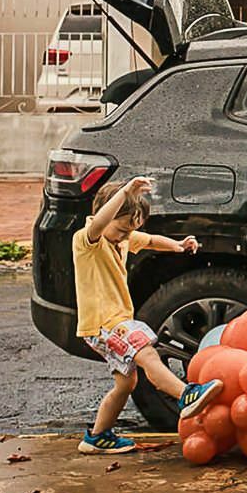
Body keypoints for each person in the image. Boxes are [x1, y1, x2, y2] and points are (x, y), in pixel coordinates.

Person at [74, 175, 224, 453]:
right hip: (105, 322)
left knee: (126, 383)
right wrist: (126, 191)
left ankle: (97, 436)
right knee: (146, 349)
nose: (125, 237)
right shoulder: (87, 240)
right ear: (105, 216)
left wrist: (177, 246)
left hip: (114, 322)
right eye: (121, 230)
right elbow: (99, 222)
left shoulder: (121, 238)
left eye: (130, 231)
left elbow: (151, 240)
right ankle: (185, 395)